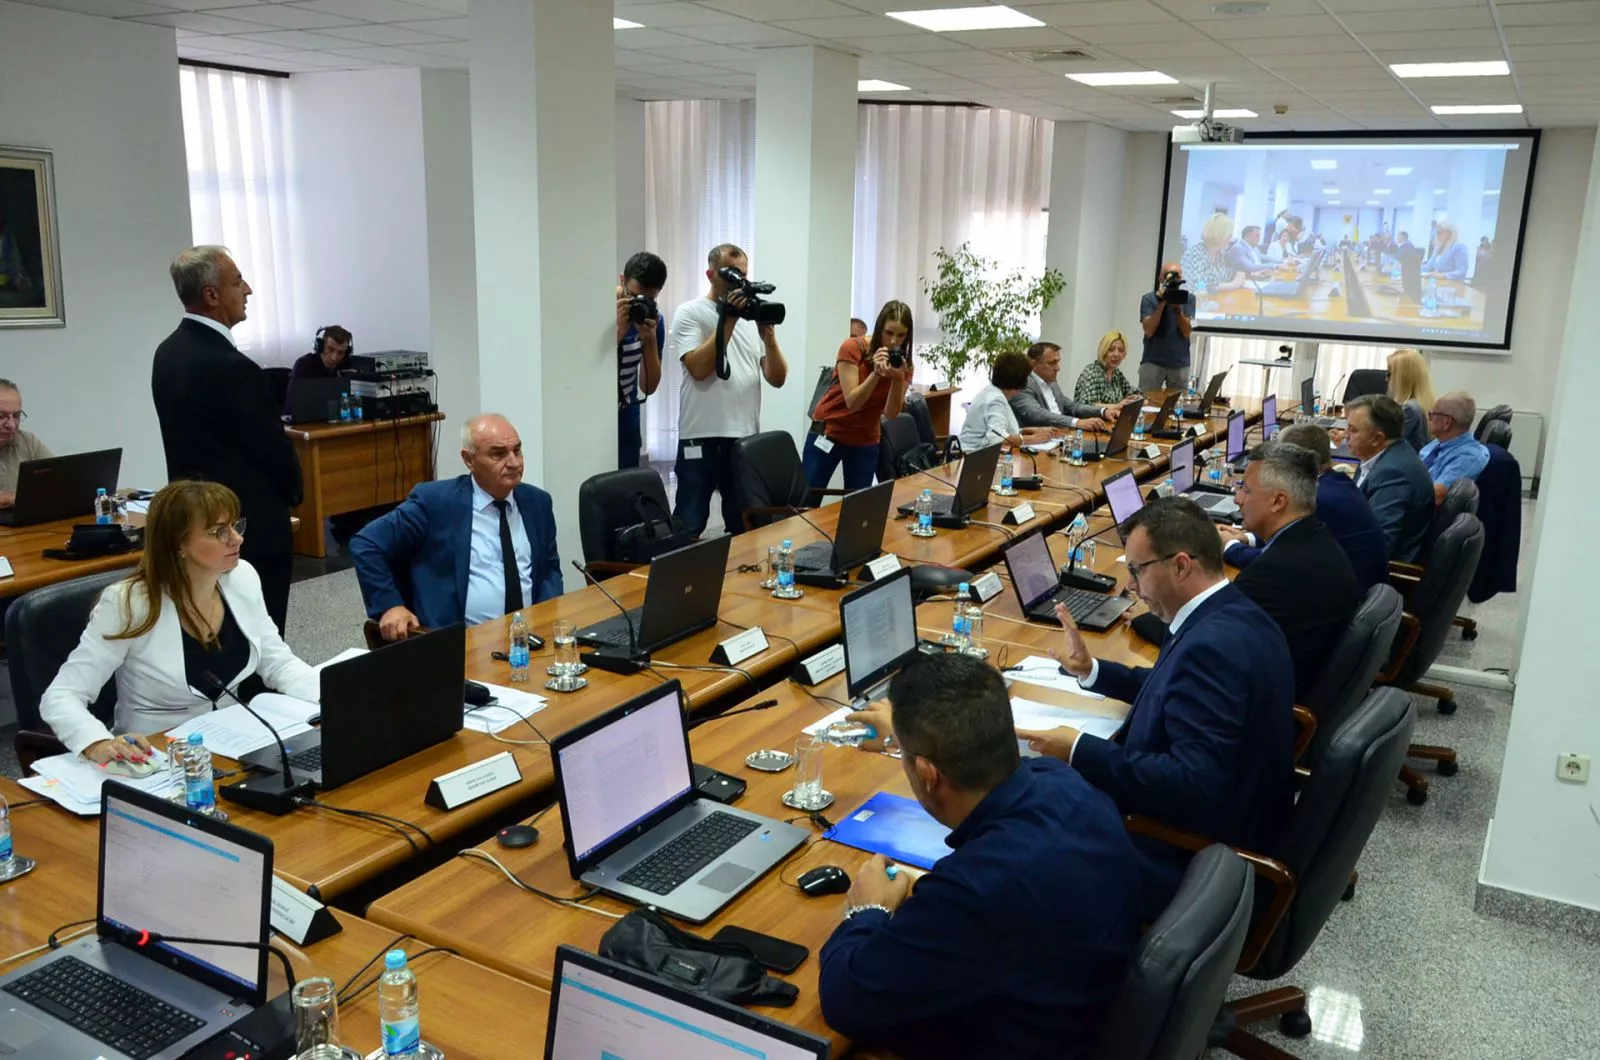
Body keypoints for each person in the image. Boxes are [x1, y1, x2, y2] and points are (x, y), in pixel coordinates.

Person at [819, 654, 1140, 1060]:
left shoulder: (974, 892)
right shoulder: (1066, 783)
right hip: (1079, 1007)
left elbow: (846, 997)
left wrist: (867, 910)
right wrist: (905, 738)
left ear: (928, 775)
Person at [1020, 497, 1295, 917]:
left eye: (1137, 570)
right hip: (1234, 816)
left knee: (1026, 828)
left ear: (1180, 565)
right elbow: (1171, 688)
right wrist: (1093, 671)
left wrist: (1078, 749)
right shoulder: (1232, 613)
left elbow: (1192, 784)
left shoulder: (1211, 648)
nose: (1131, 585)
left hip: (1191, 854)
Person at [39, 481, 320, 763]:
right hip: (156, 756)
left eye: (236, 526)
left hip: (232, 748)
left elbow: (278, 663)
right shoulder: (128, 603)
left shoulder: (242, 578)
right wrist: (97, 743)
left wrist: (330, 695)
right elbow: (61, 696)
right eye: (218, 532)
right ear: (179, 544)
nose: (237, 539)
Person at [153, 246, 302, 635]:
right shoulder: (234, 368)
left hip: (194, 524)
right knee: (261, 637)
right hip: (249, 528)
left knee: (211, 632)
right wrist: (294, 493)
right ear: (212, 295)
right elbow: (272, 449)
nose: (248, 289)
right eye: (238, 282)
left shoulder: (167, 354)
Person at [351, 414, 561, 641]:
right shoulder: (435, 503)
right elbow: (367, 543)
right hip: (460, 644)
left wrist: (545, 619)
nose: (514, 463)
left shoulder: (537, 502)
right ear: (469, 460)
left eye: (517, 450)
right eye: (498, 454)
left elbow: (549, 569)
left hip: (531, 639)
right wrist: (390, 605)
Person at [1216, 443, 1362, 700]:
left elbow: (1209, 638)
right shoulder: (1314, 536)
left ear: (1278, 501)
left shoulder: (1273, 572)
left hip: (1262, 703)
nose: (1237, 499)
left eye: (1245, 490)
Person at [665, 243, 787, 538]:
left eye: (742, 275)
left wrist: (769, 338)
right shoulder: (690, 312)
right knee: (690, 522)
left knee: (744, 522)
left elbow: (777, 378)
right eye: (730, 274)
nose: (738, 281)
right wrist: (728, 318)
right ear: (710, 275)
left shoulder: (749, 318)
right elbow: (699, 368)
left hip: (744, 438)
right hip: (701, 436)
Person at [1227, 423, 1389, 593]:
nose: (1237, 499)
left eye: (1246, 490)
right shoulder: (1336, 482)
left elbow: (1278, 561)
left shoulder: (1321, 500)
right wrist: (1249, 538)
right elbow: (1288, 538)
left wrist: (1229, 546)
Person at [805, 300, 914, 491]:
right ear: (880, 328)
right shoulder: (853, 348)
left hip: (865, 438)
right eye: (889, 333)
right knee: (807, 497)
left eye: (901, 335)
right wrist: (876, 374)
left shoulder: (904, 365)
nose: (894, 341)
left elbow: (890, 414)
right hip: (829, 431)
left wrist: (898, 379)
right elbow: (853, 402)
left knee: (858, 502)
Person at [1344, 394, 1434, 563]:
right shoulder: (1384, 454)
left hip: (1387, 569)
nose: (1345, 435)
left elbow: (1376, 546)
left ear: (1377, 439)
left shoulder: (1393, 474)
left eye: (1353, 430)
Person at [616, 252, 666, 469]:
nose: (639, 303)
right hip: (591, 414)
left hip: (626, 414)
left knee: (625, 482)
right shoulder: (599, 311)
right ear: (622, 280)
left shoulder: (654, 320)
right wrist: (618, 332)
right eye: (634, 296)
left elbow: (649, 387)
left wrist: (650, 341)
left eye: (648, 299)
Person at [959, 351, 1060, 452]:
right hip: (972, 455)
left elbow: (1000, 431)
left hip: (976, 453)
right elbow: (997, 439)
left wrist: (1029, 431)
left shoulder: (991, 391)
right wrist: (1033, 439)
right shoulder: (996, 400)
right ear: (1019, 381)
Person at [1010, 342, 1114, 432]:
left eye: (1058, 362)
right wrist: (1077, 422)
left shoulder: (1052, 383)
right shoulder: (1022, 385)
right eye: (1052, 363)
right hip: (1038, 441)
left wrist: (1103, 412)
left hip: (1062, 434)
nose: (1058, 368)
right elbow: (1038, 414)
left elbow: (1073, 407)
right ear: (1034, 364)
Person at [1420, 391, 1490, 504]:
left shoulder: (1468, 457)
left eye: (1432, 414)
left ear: (1446, 422)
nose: (1430, 419)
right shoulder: (1440, 442)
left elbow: (1436, 496)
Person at [1138, 261, 1196, 393]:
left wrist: (1177, 310)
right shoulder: (1149, 299)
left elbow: (1187, 331)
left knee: (1177, 403)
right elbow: (1149, 330)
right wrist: (1163, 302)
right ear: (1160, 278)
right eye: (1169, 275)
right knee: (1147, 401)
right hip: (1152, 362)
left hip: (1180, 364)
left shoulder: (1188, 299)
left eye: (1177, 276)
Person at [0, 378, 52, 507]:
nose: (11, 425)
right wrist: (5, 498)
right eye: (1, 416)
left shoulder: (28, 442)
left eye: (16, 416)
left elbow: (59, 480)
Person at [1179, 212, 1249, 294]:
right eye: (1229, 235)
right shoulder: (1195, 254)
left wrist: (1239, 273)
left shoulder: (1218, 253)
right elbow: (1197, 285)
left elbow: (1222, 276)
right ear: (1219, 235)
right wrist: (1233, 285)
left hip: (1211, 298)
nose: (1231, 239)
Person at [1073, 331, 1141, 408]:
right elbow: (1086, 405)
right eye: (1111, 349)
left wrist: (1137, 397)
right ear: (1103, 351)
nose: (1116, 354)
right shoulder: (1092, 373)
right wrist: (1116, 406)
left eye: (1120, 350)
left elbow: (1130, 391)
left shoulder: (1116, 373)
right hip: (1095, 416)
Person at [1387, 348, 1435, 451]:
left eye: (1389, 374)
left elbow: (1387, 444)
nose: (1386, 379)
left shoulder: (1409, 409)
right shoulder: (1425, 403)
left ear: (1402, 377)